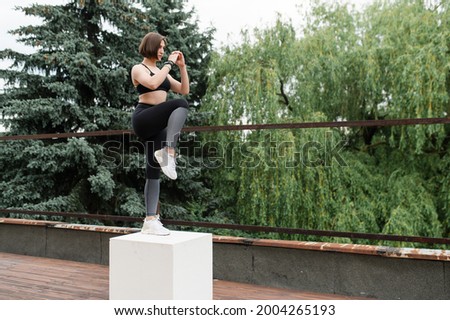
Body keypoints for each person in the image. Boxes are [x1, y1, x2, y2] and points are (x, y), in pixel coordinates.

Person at [130, 32, 190, 236]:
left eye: (165, 47)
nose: (163, 51)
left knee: (153, 169)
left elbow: (183, 89)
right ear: (151, 46)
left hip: (157, 123)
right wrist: (170, 65)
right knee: (180, 106)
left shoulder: (162, 70)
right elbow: (153, 84)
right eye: (161, 47)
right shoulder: (139, 69)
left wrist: (181, 67)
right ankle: (169, 152)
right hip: (144, 117)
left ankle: (150, 220)